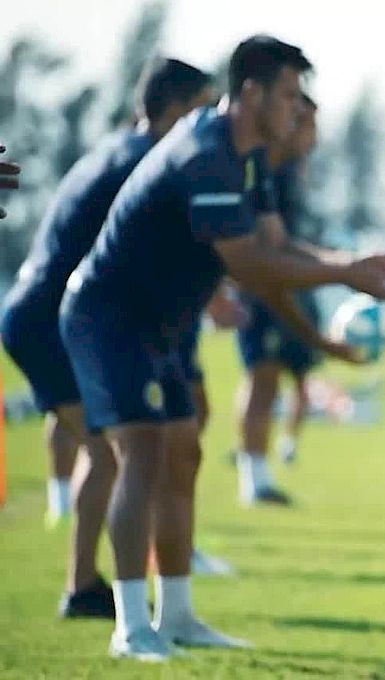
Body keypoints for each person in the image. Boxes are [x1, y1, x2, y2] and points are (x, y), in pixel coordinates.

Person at [59, 35, 385, 661]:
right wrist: (343, 275)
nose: (298, 108)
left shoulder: (250, 160)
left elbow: (276, 244)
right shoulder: (207, 154)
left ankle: (179, 615)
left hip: (157, 322)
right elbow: (251, 266)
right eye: (288, 94)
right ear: (250, 93)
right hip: (109, 317)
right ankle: (130, 626)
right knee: (141, 450)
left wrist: (345, 264)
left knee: (183, 452)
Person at [1, 58, 214, 619]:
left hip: (40, 314)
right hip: (51, 321)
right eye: (200, 110)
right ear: (173, 109)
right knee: (118, 446)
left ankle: (85, 584)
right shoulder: (144, 162)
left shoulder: (121, 149)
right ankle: (87, 586)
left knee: (106, 450)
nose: (208, 124)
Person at [234, 94, 322, 506]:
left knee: (290, 379)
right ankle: (253, 479)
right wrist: (342, 267)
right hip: (263, 291)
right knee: (262, 378)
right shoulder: (263, 168)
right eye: (307, 124)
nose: (313, 135)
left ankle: (266, 467)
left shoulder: (290, 171)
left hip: (293, 287)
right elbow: (266, 244)